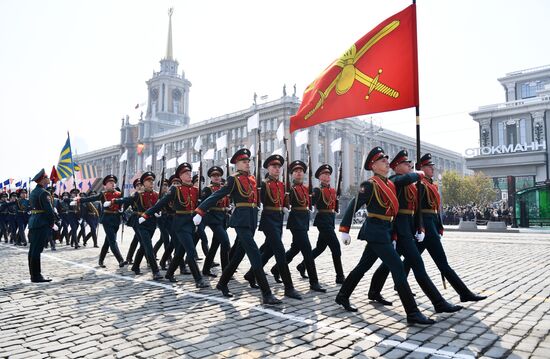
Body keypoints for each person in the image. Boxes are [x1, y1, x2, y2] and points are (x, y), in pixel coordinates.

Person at [335, 147, 435, 325]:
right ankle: (412, 312)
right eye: (382, 161)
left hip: (386, 230)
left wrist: (394, 235)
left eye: (387, 160)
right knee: (397, 267)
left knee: (362, 267)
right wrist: (344, 229)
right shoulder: (370, 185)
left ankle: (343, 295)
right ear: (373, 166)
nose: (387, 163)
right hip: (375, 231)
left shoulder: (390, 184)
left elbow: (395, 208)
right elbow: (354, 204)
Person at [366, 150, 463, 314]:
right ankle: (434, 304)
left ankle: (374, 291)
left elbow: (417, 209)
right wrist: (419, 173)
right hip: (396, 231)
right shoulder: (395, 180)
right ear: (397, 167)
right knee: (406, 265)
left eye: (410, 164)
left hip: (408, 230)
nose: (409, 166)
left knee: (391, 264)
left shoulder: (409, 184)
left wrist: (420, 228)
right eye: (406, 164)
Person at [194, 148, 281, 304]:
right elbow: (217, 195)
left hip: (252, 221)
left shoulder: (253, 179)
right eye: (244, 161)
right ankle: (266, 293)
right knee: (254, 255)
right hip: (241, 222)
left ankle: (222, 283)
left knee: (237, 256)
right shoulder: (233, 179)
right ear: (236, 164)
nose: (247, 164)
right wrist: (200, 210)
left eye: (248, 161)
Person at [403, 153, 487, 303]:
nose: (432, 169)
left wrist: (438, 226)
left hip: (431, 225)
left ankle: (399, 284)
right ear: (421, 168)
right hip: (426, 228)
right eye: (429, 166)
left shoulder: (430, 184)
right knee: (442, 263)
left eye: (432, 166)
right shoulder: (420, 185)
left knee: (410, 260)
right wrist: (420, 227)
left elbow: (434, 209)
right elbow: (417, 210)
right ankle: (464, 293)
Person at [242, 154, 302, 300]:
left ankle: (251, 274)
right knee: (280, 251)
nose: (277, 169)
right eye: (273, 166)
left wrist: (285, 207)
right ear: (268, 168)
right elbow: (256, 199)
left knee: (269, 251)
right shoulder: (263, 184)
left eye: (278, 167)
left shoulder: (281, 185)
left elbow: (283, 201)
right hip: (268, 220)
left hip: (278, 220)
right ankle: (289, 287)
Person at [141, 163, 208, 288]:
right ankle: (198, 279)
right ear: (180, 176)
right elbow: (161, 203)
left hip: (192, 224)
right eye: (186, 173)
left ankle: (170, 273)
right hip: (180, 224)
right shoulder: (175, 189)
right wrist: (146, 214)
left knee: (180, 252)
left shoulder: (195, 190)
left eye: (189, 172)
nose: (189, 174)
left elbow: (204, 204)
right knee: (191, 250)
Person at [271, 160, 326, 292]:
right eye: (296, 171)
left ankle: (276, 268)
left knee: (295, 248)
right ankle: (314, 282)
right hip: (295, 222)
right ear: (292, 175)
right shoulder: (289, 189)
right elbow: (282, 201)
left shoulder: (307, 188)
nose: (299, 173)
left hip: (304, 221)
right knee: (307, 249)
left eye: (301, 171)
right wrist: (285, 207)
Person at [296, 164, 345, 284]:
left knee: (320, 248)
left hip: (330, 220)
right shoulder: (317, 190)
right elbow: (310, 202)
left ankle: (302, 265)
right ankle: (340, 276)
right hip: (322, 221)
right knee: (336, 247)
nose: (327, 176)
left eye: (328, 174)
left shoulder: (333, 191)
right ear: (320, 177)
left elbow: (333, 204)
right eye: (324, 174)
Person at [116, 172, 162, 280]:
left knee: (143, 246)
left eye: (152, 181)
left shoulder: (156, 194)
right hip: (140, 223)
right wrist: (114, 201)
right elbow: (126, 200)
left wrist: (159, 212)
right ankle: (156, 271)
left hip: (152, 223)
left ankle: (136, 265)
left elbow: (161, 205)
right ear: (143, 183)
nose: (151, 183)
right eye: (148, 181)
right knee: (148, 246)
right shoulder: (138, 195)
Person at [76, 175, 128, 268]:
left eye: (113, 183)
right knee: (112, 240)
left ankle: (101, 260)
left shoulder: (120, 194)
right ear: (105, 185)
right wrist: (80, 200)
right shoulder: (103, 194)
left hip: (116, 219)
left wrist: (122, 209)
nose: (112, 184)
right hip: (107, 219)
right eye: (110, 183)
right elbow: (91, 198)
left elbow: (126, 202)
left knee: (107, 241)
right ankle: (120, 260)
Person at [200, 166, 231, 277]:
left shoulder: (224, 188)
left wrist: (229, 208)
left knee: (215, 245)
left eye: (218, 175)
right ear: (210, 177)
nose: (216, 177)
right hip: (213, 219)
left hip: (223, 218)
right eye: (214, 176)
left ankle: (206, 269)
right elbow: (203, 204)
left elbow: (227, 202)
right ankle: (226, 270)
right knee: (226, 242)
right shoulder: (207, 189)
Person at [27, 169, 55, 282]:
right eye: (47, 177)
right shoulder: (44, 193)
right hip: (41, 222)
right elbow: (49, 210)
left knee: (33, 249)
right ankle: (36, 276)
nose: (49, 179)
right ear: (43, 180)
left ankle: (33, 274)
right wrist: (52, 222)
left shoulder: (34, 192)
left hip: (34, 221)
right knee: (37, 250)